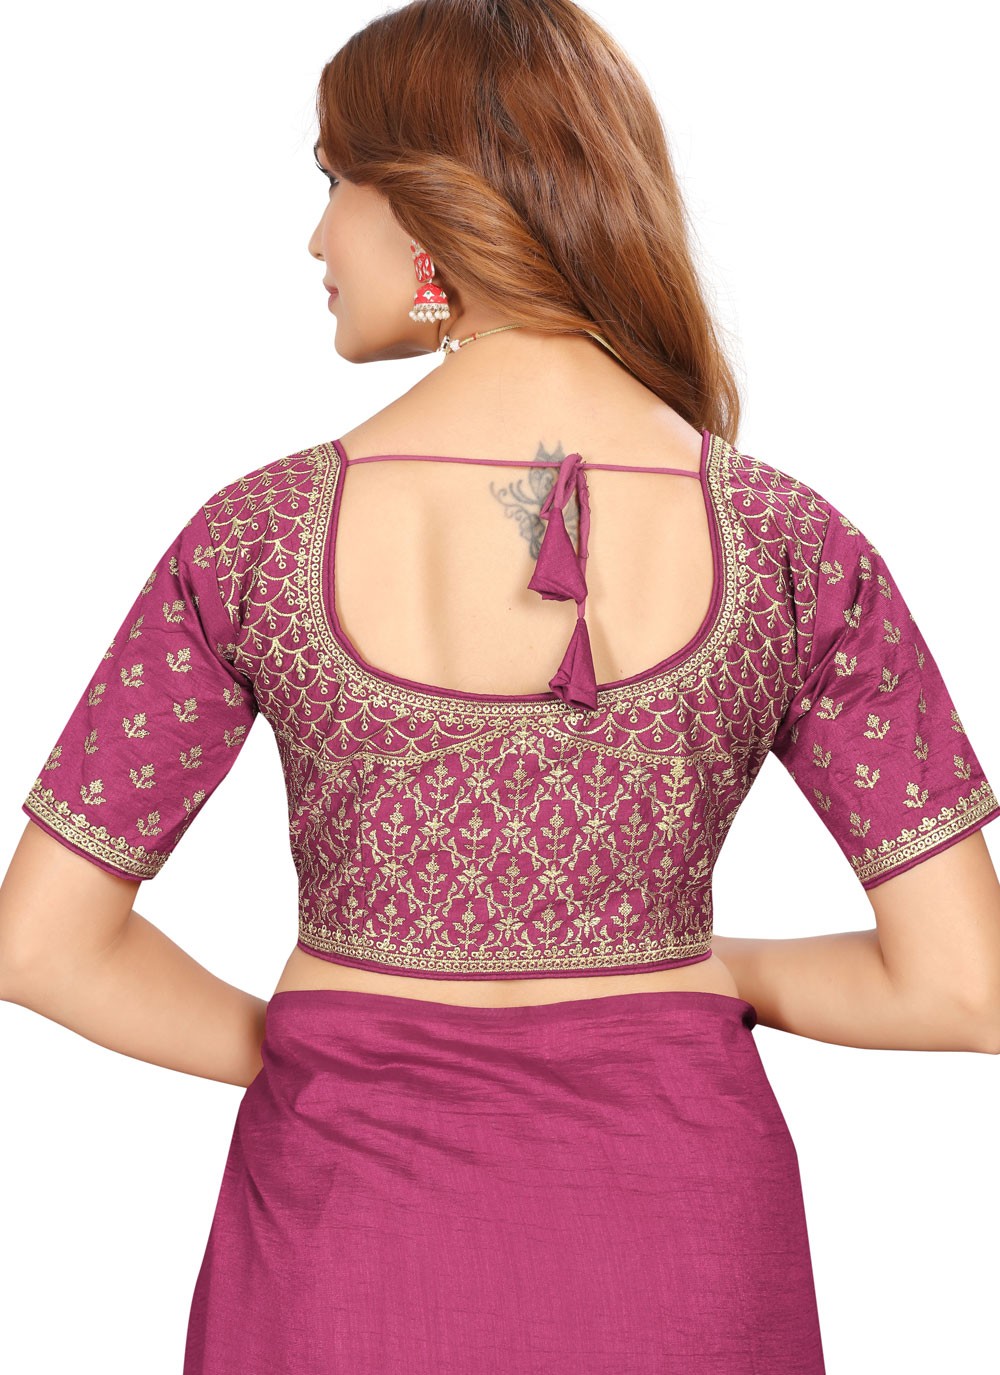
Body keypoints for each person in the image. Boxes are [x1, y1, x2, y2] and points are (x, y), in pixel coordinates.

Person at [2, 1, 998, 1371]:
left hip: (343, 1238)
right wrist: (716, 970)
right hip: (681, 1244)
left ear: (429, 209)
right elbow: (964, 989)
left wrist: (328, 1055)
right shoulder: (791, 543)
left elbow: (41, 945)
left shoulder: (255, 537)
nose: (315, 239)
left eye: (331, 182)